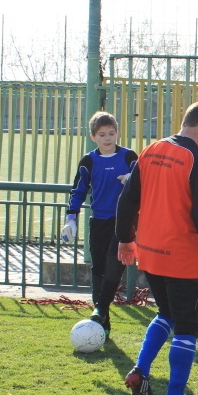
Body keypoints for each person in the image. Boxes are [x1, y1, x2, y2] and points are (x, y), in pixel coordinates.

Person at [115, 100, 198, 395]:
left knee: (166, 313)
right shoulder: (197, 158)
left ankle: (139, 370)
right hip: (181, 254)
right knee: (187, 325)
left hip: (150, 252)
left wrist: (125, 239)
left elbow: (126, 200)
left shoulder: (150, 150)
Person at [60, 111, 138, 336]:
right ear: (93, 136)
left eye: (111, 133)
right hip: (99, 221)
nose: (107, 138)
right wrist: (71, 218)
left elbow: (145, 181)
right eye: (102, 134)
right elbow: (78, 190)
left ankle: (100, 309)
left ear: (118, 134)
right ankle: (102, 322)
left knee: (115, 263)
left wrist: (131, 181)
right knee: (98, 268)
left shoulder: (129, 157)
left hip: (122, 221)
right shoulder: (88, 161)